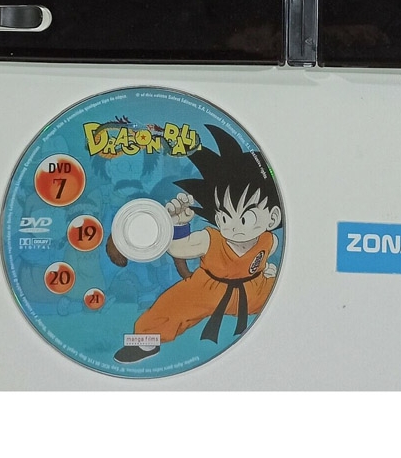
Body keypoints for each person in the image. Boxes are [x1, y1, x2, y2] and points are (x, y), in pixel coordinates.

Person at [112, 125, 282, 363]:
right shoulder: (210, 239)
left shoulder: (269, 239)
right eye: (224, 217)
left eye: (244, 218)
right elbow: (177, 248)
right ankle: (145, 342)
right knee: (170, 307)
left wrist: (269, 274)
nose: (232, 227)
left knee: (280, 300)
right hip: (207, 290)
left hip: (253, 289)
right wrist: (180, 226)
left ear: (272, 218)